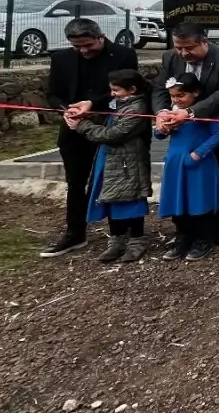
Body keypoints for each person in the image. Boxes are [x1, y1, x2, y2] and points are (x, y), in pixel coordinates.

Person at [42, 18, 138, 258]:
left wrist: (92, 104)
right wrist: (66, 110)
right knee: (75, 182)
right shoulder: (60, 59)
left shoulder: (124, 55)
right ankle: (75, 233)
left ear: (101, 37)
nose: (84, 50)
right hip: (74, 128)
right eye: (77, 46)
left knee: (114, 179)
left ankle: (120, 233)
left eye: (88, 45)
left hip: (110, 127)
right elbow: (53, 94)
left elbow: (126, 91)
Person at [152, 22, 219, 246]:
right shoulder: (170, 58)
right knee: (187, 181)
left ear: (204, 41)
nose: (183, 53)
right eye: (179, 47)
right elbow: (159, 89)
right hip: (186, 135)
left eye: (189, 48)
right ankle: (186, 229)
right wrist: (162, 113)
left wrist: (190, 112)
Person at [68, 69, 153, 264]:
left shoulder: (137, 109)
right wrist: (84, 117)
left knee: (131, 200)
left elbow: (114, 134)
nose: (112, 93)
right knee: (110, 198)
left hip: (128, 164)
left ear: (132, 89)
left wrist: (82, 126)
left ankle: (137, 240)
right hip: (110, 159)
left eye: (116, 90)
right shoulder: (119, 104)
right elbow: (106, 122)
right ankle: (117, 240)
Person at [155, 73, 219, 262]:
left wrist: (198, 154)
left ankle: (203, 239)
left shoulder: (205, 111)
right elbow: (159, 135)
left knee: (199, 201)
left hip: (198, 164)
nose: (176, 100)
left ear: (195, 92)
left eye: (181, 95)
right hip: (175, 164)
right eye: (173, 96)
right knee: (178, 201)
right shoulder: (171, 111)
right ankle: (183, 237)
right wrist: (162, 129)